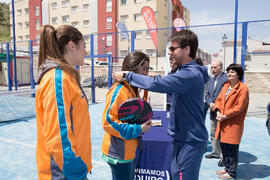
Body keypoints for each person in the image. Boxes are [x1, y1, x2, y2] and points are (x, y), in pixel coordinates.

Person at [113, 30, 209, 180]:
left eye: (173, 49)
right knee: (176, 174)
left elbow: (158, 83)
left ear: (187, 49)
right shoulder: (185, 72)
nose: (170, 53)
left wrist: (128, 75)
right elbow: (161, 81)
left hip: (189, 141)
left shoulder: (189, 74)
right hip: (183, 139)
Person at [35, 25, 92, 179]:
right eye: (84, 46)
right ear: (72, 46)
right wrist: (76, 171)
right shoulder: (57, 79)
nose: (86, 52)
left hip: (69, 170)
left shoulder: (67, 77)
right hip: (63, 172)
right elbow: (58, 137)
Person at [101, 51, 152, 180]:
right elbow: (108, 122)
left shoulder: (132, 90)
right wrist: (139, 129)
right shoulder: (119, 91)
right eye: (144, 69)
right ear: (132, 69)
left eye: (147, 69)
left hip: (127, 151)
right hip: (118, 154)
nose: (146, 73)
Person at [214, 64, 249, 179]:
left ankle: (232, 172)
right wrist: (218, 111)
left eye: (232, 72)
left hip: (233, 124)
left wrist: (225, 115)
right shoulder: (226, 86)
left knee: (232, 149)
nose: (229, 74)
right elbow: (218, 100)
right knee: (224, 148)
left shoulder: (243, 89)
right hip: (222, 122)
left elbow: (239, 107)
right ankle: (227, 168)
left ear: (239, 74)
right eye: (228, 71)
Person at [205, 60, 228, 167]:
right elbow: (207, 94)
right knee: (213, 133)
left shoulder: (226, 79)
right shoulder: (210, 80)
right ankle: (216, 152)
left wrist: (217, 105)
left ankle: (224, 156)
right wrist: (210, 103)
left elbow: (226, 96)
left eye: (215, 67)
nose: (213, 70)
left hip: (222, 112)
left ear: (221, 67)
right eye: (212, 68)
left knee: (222, 135)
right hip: (213, 111)